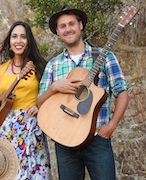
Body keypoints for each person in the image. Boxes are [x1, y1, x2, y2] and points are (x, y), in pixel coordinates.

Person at [37, 4, 129, 180]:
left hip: (97, 140)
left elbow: (122, 91)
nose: (68, 29)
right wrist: (54, 88)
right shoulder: (53, 65)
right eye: (62, 26)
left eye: (71, 24)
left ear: (80, 25)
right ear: (57, 31)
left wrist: (111, 126)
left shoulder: (103, 56)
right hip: (64, 140)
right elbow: (40, 103)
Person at [0, 21, 51, 179]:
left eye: (23, 37)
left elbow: (51, 99)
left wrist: (40, 109)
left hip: (32, 129)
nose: (18, 41)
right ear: (9, 41)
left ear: (29, 41)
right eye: (14, 37)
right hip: (7, 131)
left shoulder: (40, 68)